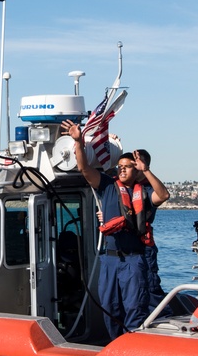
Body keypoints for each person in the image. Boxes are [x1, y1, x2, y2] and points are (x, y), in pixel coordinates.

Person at [60, 119, 170, 339]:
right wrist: (78, 142)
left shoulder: (144, 192)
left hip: (133, 261)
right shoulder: (107, 186)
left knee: (134, 309)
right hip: (110, 260)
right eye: (119, 167)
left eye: (126, 167)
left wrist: (146, 170)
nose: (121, 170)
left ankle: (133, 349)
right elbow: (84, 168)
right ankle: (115, 345)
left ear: (136, 170)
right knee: (110, 308)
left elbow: (164, 195)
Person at [135, 149, 172, 316]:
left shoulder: (148, 189)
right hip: (128, 247)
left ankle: (162, 317)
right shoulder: (126, 186)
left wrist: (145, 170)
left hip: (144, 246)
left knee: (150, 287)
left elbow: (163, 195)